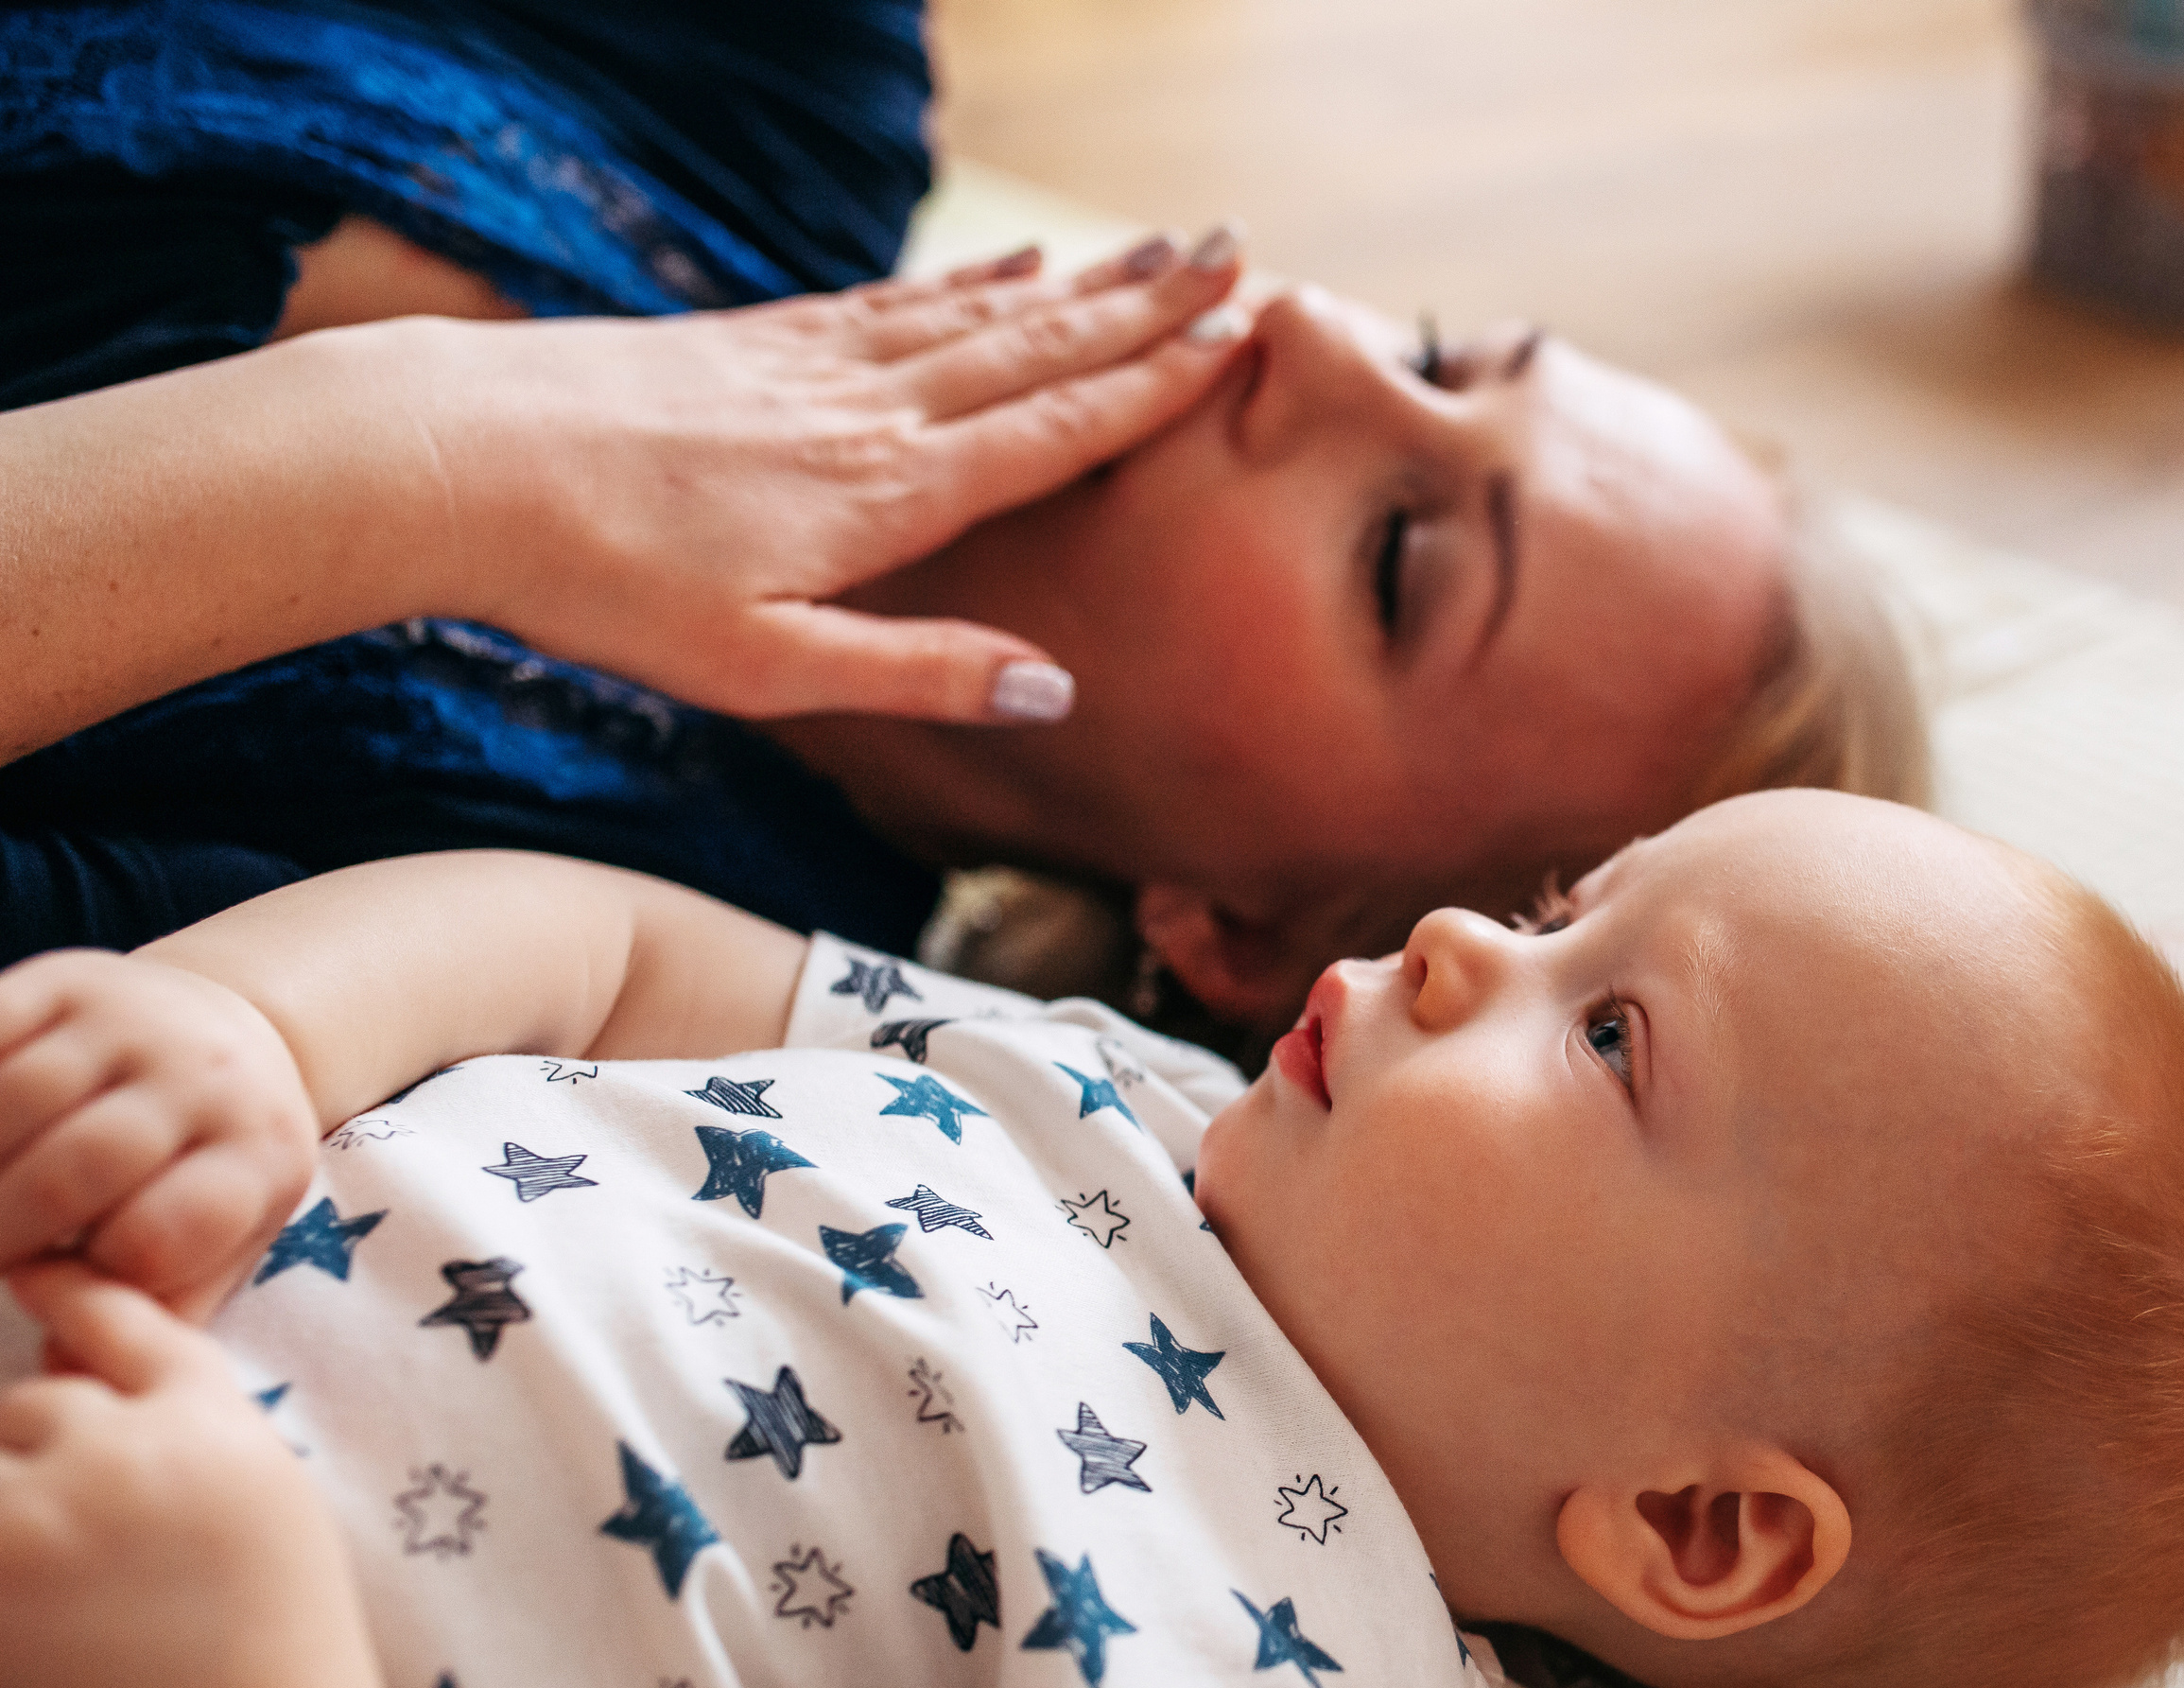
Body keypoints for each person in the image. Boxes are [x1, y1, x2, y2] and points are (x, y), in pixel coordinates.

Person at [0, 790, 2184, 1688]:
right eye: (1555, 901)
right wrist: (243, 1032)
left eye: (1612, 1032)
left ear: (1695, 1526)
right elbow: (599, 940)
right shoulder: (1115, 1080)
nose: (1450, 942)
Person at [0, 10, 1927, 1037]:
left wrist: (442, 455)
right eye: (1439, 349)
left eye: (1398, 555)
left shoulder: (544, 978)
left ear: (1245, 931)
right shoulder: (787, 94)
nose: (1303, 339)